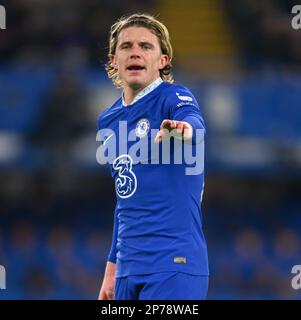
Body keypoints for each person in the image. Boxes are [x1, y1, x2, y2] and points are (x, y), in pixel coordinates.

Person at [97, 13, 209, 300]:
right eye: (127, 46)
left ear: (162, 61)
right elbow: (124, 198)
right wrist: (111, 270)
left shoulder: (173, 97)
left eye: (146, 46)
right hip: (127, 271)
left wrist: (184, 128)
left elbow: (194, 122)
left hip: (174, 265)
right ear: (114, 61)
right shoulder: (108, 120)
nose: (135, 51)